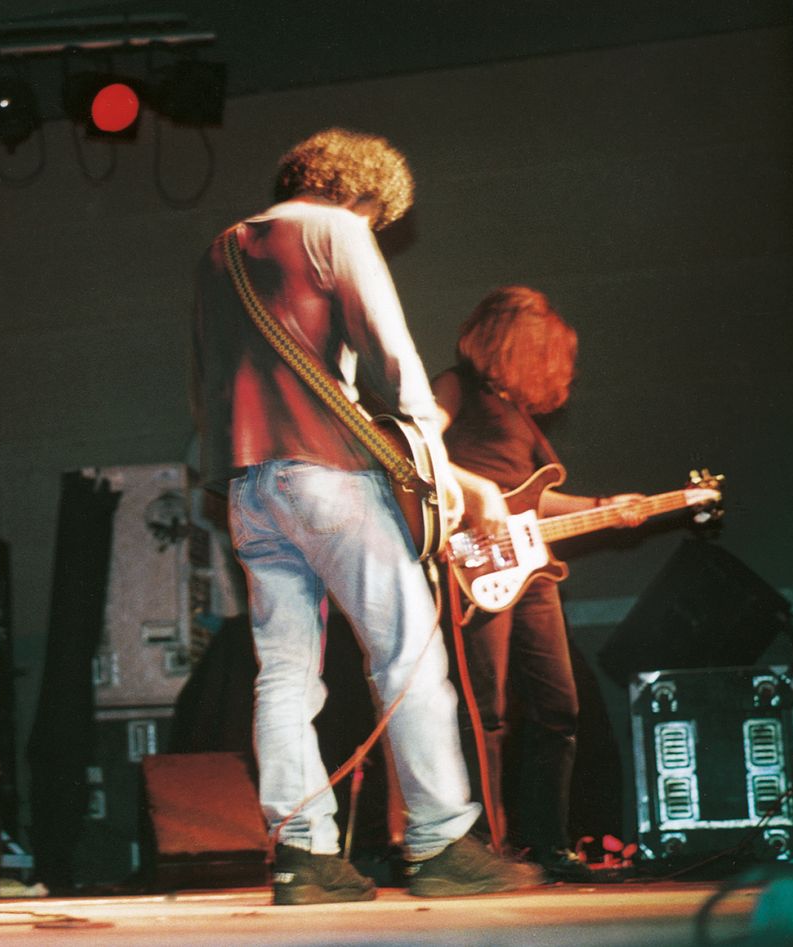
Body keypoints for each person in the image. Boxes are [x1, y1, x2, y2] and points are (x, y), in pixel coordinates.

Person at [190, 128, 542, 903]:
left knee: (283, 673)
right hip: (328, 476)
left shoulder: (221, 248)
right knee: (407, 652)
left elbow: (209, 380)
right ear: (363, 191)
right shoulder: (337, 229)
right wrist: (433, 465)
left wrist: (226, 482)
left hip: (249, 487)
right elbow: (391, 355)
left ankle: (301, 856)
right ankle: (443, 838)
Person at [434, 285, 643, 881]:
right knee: (486, 710)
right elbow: (415, 447)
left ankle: (548, 844)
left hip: (531, 568)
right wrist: (471, 496)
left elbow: (533, 500)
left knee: (560, 706)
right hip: (475, 563)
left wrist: (610, 505)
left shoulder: (520, 416)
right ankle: (477, 844)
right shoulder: (457, 387)